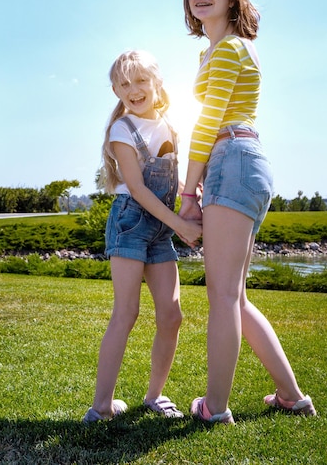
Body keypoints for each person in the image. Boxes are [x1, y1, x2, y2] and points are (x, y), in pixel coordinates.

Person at [179, 0, 316, 424]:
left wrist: (187, 191)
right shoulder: (220, 50)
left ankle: (214, 408)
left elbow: (208, 122)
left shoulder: (228, 49)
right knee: (234, 295)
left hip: (231, 160)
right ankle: (291, 397)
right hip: (245, 161)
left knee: (221, 295)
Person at [82, 50, 202, 423]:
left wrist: (191, 201)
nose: (133, 90)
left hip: (160, 226)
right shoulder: (122, 130)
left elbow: (174, 181)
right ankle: (101, 407)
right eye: (124, 84)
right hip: (131, 222)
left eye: (140, 81)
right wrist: (181, 226)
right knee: (127, 312)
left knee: (171, 315)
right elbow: (136, 188)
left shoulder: (170, 126)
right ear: (116, 90)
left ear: (157, 83)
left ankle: (154, 396)